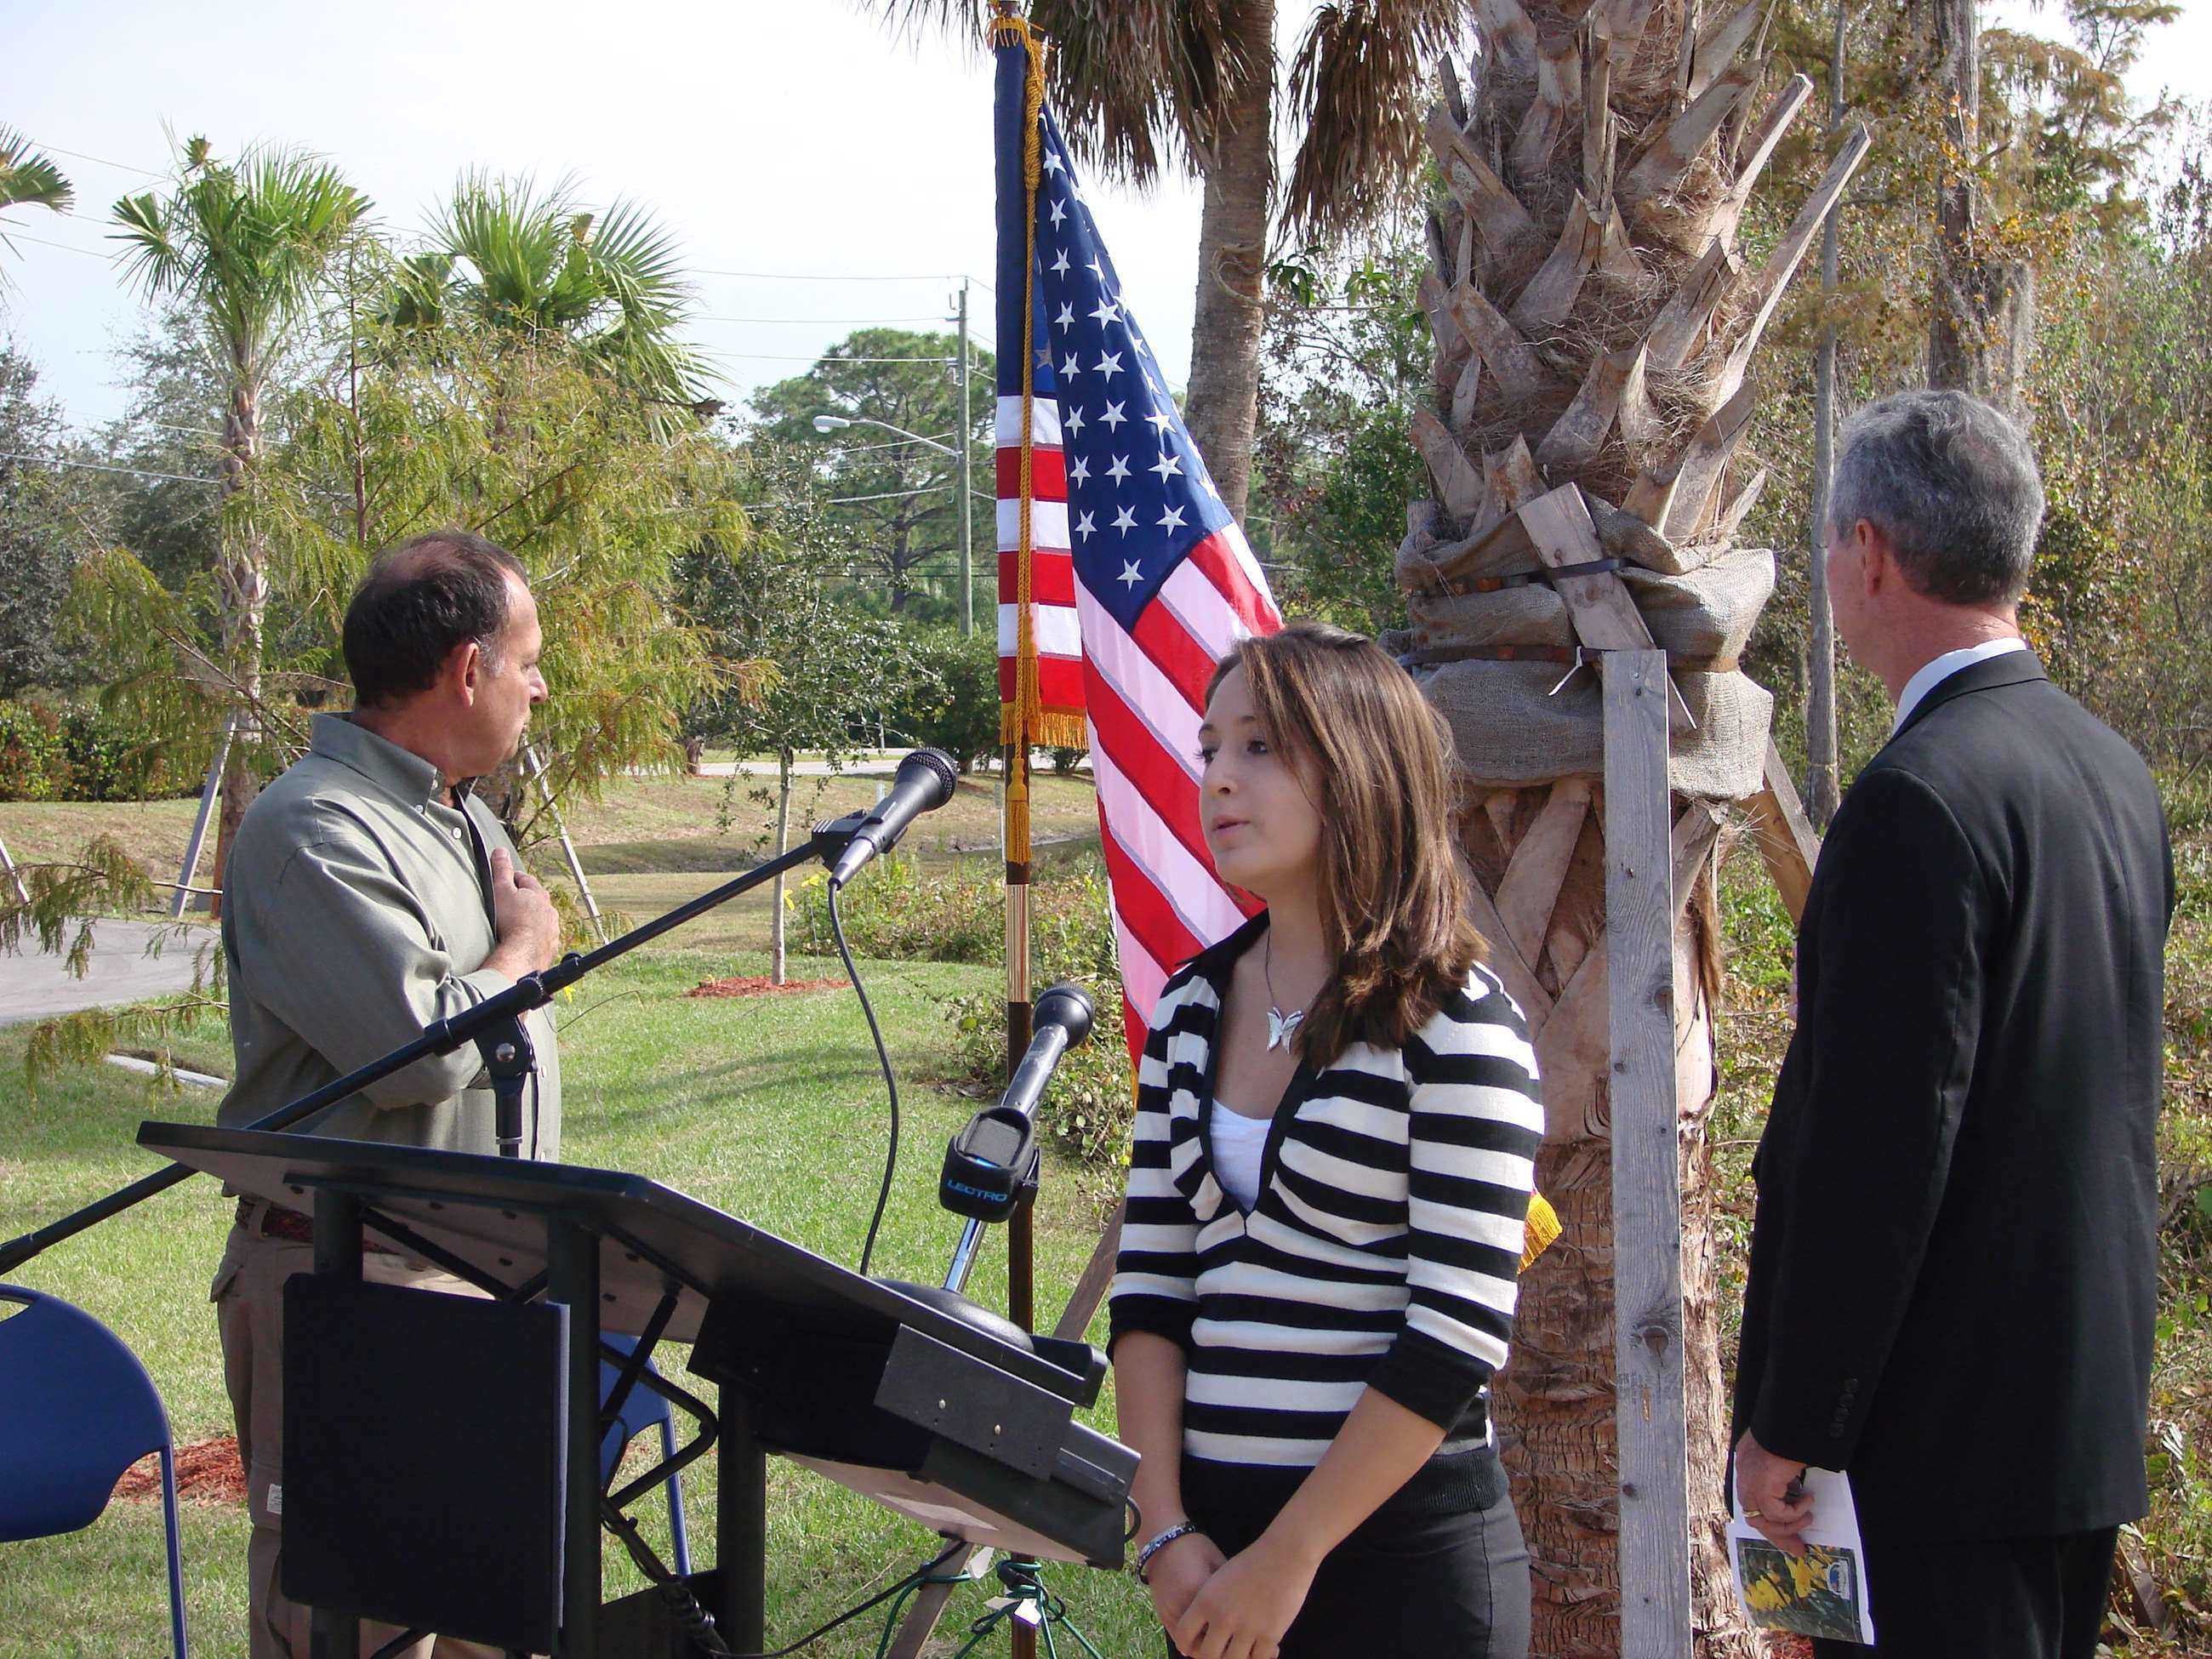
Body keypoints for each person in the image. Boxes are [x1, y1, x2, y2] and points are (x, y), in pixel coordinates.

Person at [1731, 391, 2175, 1659]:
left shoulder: (1915, 797)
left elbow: (1879, 1149)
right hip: (2069, 1430)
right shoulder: (2112, 771)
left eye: (1827, 545)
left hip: (1910, 1453)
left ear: (1868, 551)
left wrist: (1791, 1423)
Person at [1109, 622, 1545, 1659]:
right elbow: (1151, 1290)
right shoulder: (1186, 1009)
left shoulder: (1455, 1021)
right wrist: (1163, 1531)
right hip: (1209, 1563)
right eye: (1209, 747)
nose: (1216, 777)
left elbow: (1454, 1335)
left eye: (1259, 747)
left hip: (1401, 1572)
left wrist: (1290, 1556)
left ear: (1357, 768)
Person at [210, 529, 566, 1659]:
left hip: (497, 1281)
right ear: (468, 670)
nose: (541, 684)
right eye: (529, 658)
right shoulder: (313, 825)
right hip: (357, 1281)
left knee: (488, 1621)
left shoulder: (463, 816)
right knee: (358, 1627)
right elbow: (419, 1047)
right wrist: (519, 956)